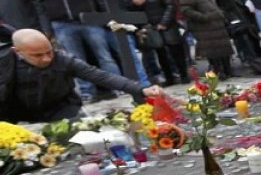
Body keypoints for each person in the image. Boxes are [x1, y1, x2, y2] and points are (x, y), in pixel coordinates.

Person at [18, 0, 123, 102]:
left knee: (104, 56)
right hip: (62, 23)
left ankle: (119, 87)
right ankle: (88, 92)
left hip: (88, 20)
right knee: (75, 61)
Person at [0, 29, 162, 123]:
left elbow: (101, 76)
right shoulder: (4, 63)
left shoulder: (63, 59)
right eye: (37, 55)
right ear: (17, 52)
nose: (46, 59)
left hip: (59, 108)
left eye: (49, 52)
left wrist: (142, 89)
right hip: (14, 111)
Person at [123, 0, 189, 85]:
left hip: (167, 24)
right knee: (160, 53)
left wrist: (164, 23)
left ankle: (184, 75)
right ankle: (169, 78)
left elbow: (170, 5)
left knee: (176, 50)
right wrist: (138, 4)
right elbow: (132, 11)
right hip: (150, 26)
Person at [92, 0, 150, 87]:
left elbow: (123, 9)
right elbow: (104, 10)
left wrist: (136, 5)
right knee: (124, 58)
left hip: (121, 26)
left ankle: (140, 83)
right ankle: (139, 84)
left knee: (130, 57)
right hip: (110, 28)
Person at [179, 0, 234, 79]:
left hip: (217, 25)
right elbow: (187, 10)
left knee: (223, 50)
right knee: (213, 52)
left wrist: (220, 14)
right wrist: (205, 17)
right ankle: (218, 72)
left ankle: (228, 71)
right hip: (205, 28)